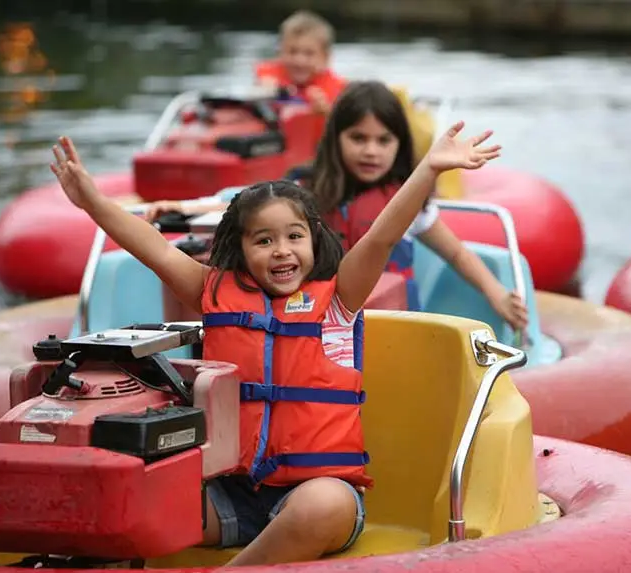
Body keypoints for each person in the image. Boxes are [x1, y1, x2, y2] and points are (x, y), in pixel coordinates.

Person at [49, 120, 501, 566]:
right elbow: (155, 248)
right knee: (134, 498)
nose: (282, 250)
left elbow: (382, 236)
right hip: (230, 493)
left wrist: (429, 170)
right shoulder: (213, 291)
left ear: (313, 239)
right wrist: (92, 202)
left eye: (294, 237)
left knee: (323, 507)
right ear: (241, 250)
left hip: (320, 492)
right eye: (264, 241)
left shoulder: (340, 298)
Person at [147, 81, 528, 331]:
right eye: (358, 137)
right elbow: (243, 203)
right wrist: (183, 206)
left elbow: (458, 254)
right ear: (336, 138)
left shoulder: (407, 201)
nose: (370, 150)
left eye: (383, 140)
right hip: (320, 320)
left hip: (390, 320)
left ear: (399, 145)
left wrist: (496, 293)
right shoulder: (306, 188)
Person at [255, 10, 347, 114]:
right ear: (280, 52)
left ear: (325, 58)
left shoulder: (339, 89)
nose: (299, 61)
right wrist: (266, 90)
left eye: (309, 54)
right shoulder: (270, 74)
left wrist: (325, 111)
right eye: (292, 51)